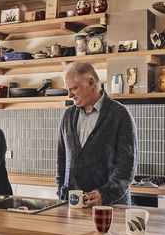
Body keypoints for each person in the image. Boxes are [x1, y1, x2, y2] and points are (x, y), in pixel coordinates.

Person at [56, 62, 137, 206]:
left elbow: (127, 166)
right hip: (74, 206)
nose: (69, 95)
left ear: (91, 83)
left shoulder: (120, 115)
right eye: (68, 90)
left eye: (73, 88)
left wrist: (106, 194)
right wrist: (61, 191)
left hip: (111, 207)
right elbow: (62, 158)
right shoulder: (67, 116)